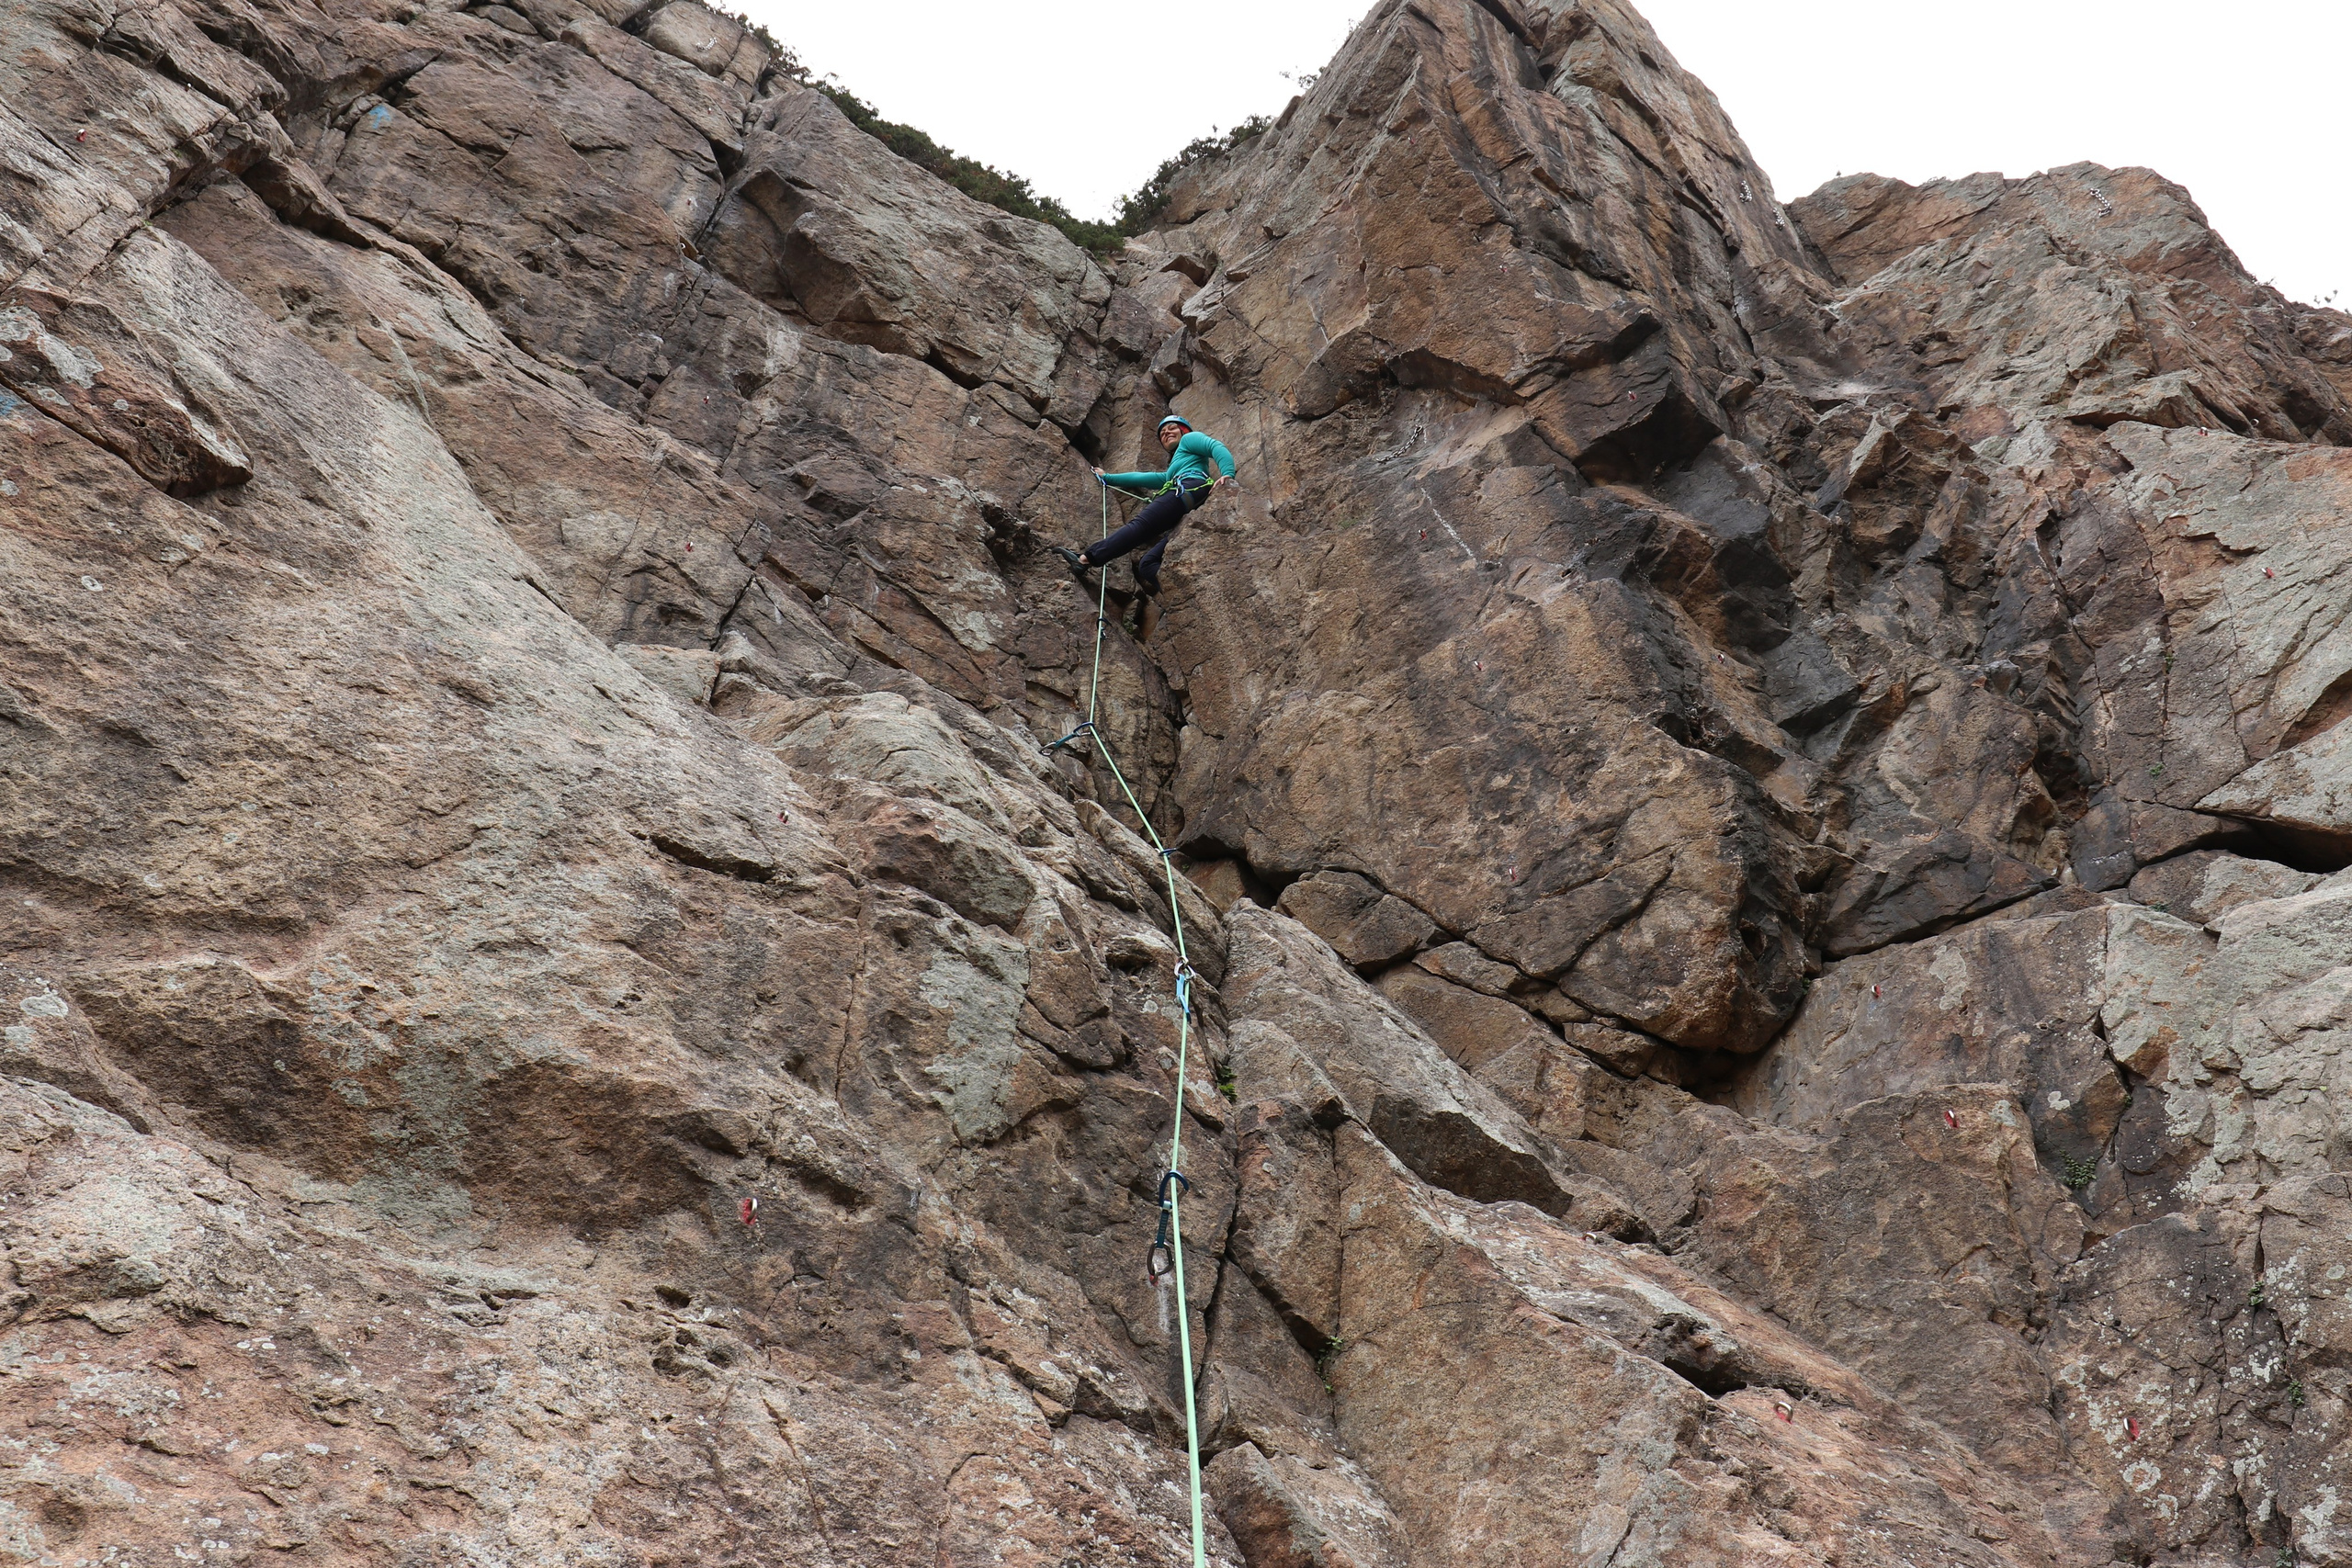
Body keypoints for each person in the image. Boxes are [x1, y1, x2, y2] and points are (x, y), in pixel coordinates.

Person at [1052, 416, 1237, 636]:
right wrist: (1109, 478)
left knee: (1139, 526)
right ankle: (1187, 602)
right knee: (1148, 564)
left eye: (1171, 428)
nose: (1166, 433)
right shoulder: (1175, 468)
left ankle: (1085, 559)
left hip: (1186, 490)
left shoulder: (1190, 441)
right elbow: (1146, 478)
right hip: (1186, 506)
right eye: (1161, 433)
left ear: (1184, 431)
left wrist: (1227, 475)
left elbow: (1215, 446)